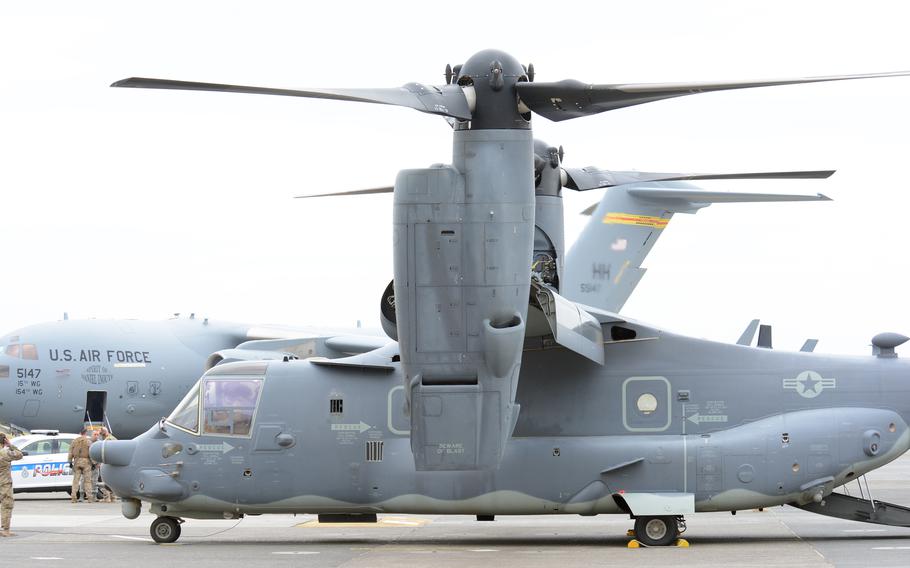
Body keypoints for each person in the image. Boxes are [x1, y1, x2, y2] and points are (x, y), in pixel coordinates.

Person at [0, 432, 24, 536]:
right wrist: (10, 445)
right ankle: (6, 530)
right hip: (4, 483)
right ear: (4, 441)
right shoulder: (5, 453)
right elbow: (19, 454)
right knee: (7, 505)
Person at [67, 428, 94, 503]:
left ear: (80, 433)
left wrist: (69, 462)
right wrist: (93, 463)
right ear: (86, 433)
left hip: (76, 461)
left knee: (75, 481)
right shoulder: (88, 442)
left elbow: (70, 452)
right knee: (87, 481)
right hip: (86, 462)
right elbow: (91, 453)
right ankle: (89, 498)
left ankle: (73, 497)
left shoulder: (74, 441)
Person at [91, 430, 113, 503]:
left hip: (100, 465)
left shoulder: (101, 443)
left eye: (97, 434)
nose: (96, 436)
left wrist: (95, 464)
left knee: (101, 481)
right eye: (95, 434)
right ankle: (111, 497)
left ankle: (107, 497)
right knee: (105, 481)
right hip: (103, 464)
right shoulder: (103, 442)